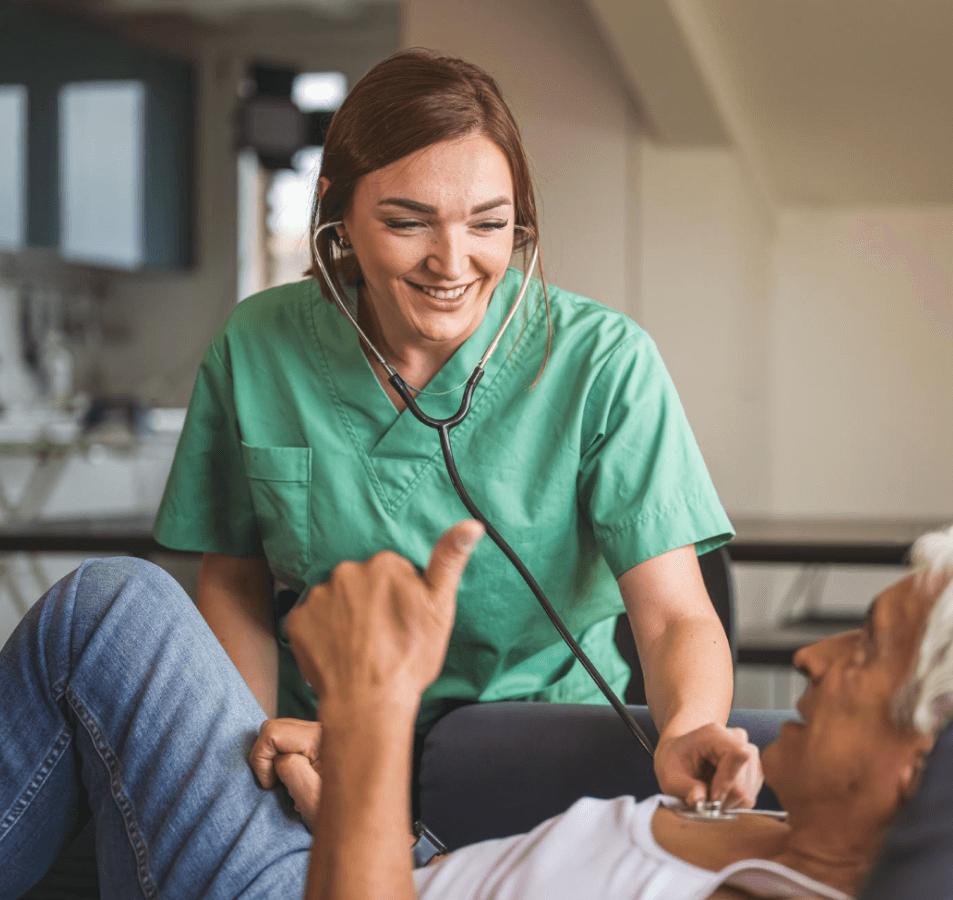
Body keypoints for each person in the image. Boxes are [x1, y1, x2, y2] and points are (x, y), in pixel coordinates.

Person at [153, 47, 741, 806]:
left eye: (488, 224)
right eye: (406, 221)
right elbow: (234, 583)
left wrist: (690, 728)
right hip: (324, 752)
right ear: (336, 212)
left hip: (537, 757)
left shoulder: (604, 363)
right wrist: (262, 757)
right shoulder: (256, 346)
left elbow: (671, 618)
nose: (451, 262)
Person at [3, 525, 953, 900]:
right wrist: (369, 804)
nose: (809, 651)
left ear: (921, 766)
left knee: (109, 613)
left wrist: (375, 710)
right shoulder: (779, 835)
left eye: (867, 650)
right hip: (392, 857)